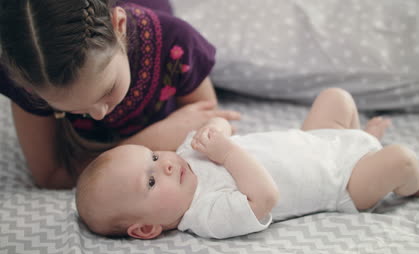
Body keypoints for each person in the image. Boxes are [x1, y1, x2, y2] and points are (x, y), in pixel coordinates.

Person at [75, 88, 419, 239]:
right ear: (146, 228)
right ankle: (413, 184)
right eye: (152, 183)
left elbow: (220, 127)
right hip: (342, 185)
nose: (167, 166)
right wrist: (225, 152)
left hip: (315, 140)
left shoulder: (185, 158)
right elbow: (265, 197)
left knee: (337, 99)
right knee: (402, 161)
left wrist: (213, 128)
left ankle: (363, 141)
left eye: (154, 157)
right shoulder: (205, 215)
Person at [0, 0, 240, 189]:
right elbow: (52, 176)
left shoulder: (177, 43)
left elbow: (211, 131)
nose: (98, 114)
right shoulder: (32, 74)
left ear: (120, 27)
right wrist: (152, 139)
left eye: (107, 90)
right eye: (68, 108)